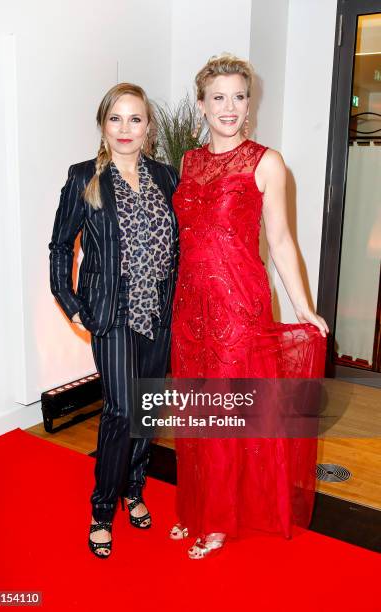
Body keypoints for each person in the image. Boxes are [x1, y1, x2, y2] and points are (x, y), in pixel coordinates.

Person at [170, 54, 328, 559]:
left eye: (240, 96)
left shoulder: (267, 162)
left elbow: (281, 242)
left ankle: (216, 522)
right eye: (219, 97)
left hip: (239, 307)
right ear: (202, 104)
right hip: (189, 307)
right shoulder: (188, 162)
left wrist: (304, 307)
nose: (230, 107)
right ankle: (198, 506)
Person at [49, 83, 179, 558]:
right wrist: (69, 299)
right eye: (116, 119)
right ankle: (103, 508)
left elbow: (180, 247)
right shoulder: (84, 176)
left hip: (160, 313)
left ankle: (137, 489)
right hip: (112, 311)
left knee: (147, 410)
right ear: (103, 126)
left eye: (135, 119)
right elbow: (62, 244)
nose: (126, 129)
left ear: (149, 127)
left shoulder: (167, 177)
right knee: (122, 410)